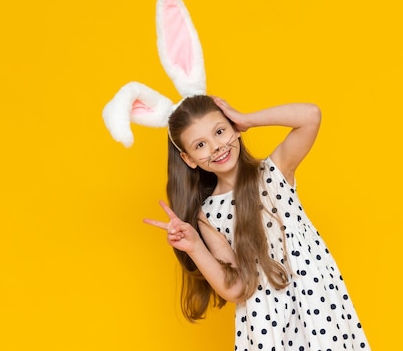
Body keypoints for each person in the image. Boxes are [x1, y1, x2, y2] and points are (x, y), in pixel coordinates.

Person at [144, 94, 371, 351]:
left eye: (220, 131)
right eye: (200, 145)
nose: (216, 147)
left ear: (234, 128)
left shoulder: (274, 173)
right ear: (188, 159)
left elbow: (311, 116)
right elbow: (236, 289)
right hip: (267, 322)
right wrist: (195, 246)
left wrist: (247, 119)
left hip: (317, 308)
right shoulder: (208, 215)